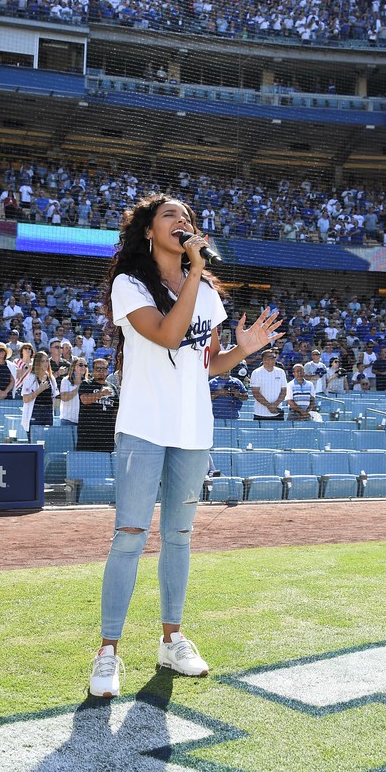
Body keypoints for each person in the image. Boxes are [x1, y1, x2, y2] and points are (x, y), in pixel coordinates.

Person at [89, 193, 280, 699]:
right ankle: (108, 650)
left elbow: (206, 363)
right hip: (144, 425)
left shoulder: (208, 293)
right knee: (129, 535)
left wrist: (245, 349)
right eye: (171, 216)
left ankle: (171, 640)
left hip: (194, 429)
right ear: (150, 231)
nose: (183, 222)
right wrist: (195, 270)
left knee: (179, 535)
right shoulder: (129, 285)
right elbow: (171, 336)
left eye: (188, 218)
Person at [77, 357, 118, 451]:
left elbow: (116, 409)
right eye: (98, 369)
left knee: (105, 462)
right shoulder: (86, 384)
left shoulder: (113, 387)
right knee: (86, 462)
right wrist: (101, 394)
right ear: (93, 370)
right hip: (88, 434)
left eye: (104, 369)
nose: (101, 371)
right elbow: (84, 400)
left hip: (106, 435)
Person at [19, 351, 58, 438]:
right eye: (42, 361)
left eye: (47, 361)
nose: (45, 364)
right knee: (34, 440)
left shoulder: (51, 378)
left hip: (48, 412)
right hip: (35, 412)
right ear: (37, 362)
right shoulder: (30, 378)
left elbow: (54, 397)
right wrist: (39, 390)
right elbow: (25, 399)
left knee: (47, 439)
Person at [250, 349, 287, 422]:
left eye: (274, 356)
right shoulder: (256, 373)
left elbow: (284, 391)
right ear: (264, 359)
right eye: (271, 356)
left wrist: (275, 405)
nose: (274, 358)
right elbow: (256, 393)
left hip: (277, 412)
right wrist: (269, 406)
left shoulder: (281, 372)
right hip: (260, 413)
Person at [58, 357, 86, 427]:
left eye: (85, 365)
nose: (83, 367)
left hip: (82, 421)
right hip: (68, 420)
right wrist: (78, 387)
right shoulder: (66, 381)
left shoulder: (88, 382)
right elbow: (64, 398)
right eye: (80, 365)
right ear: (74, 367)